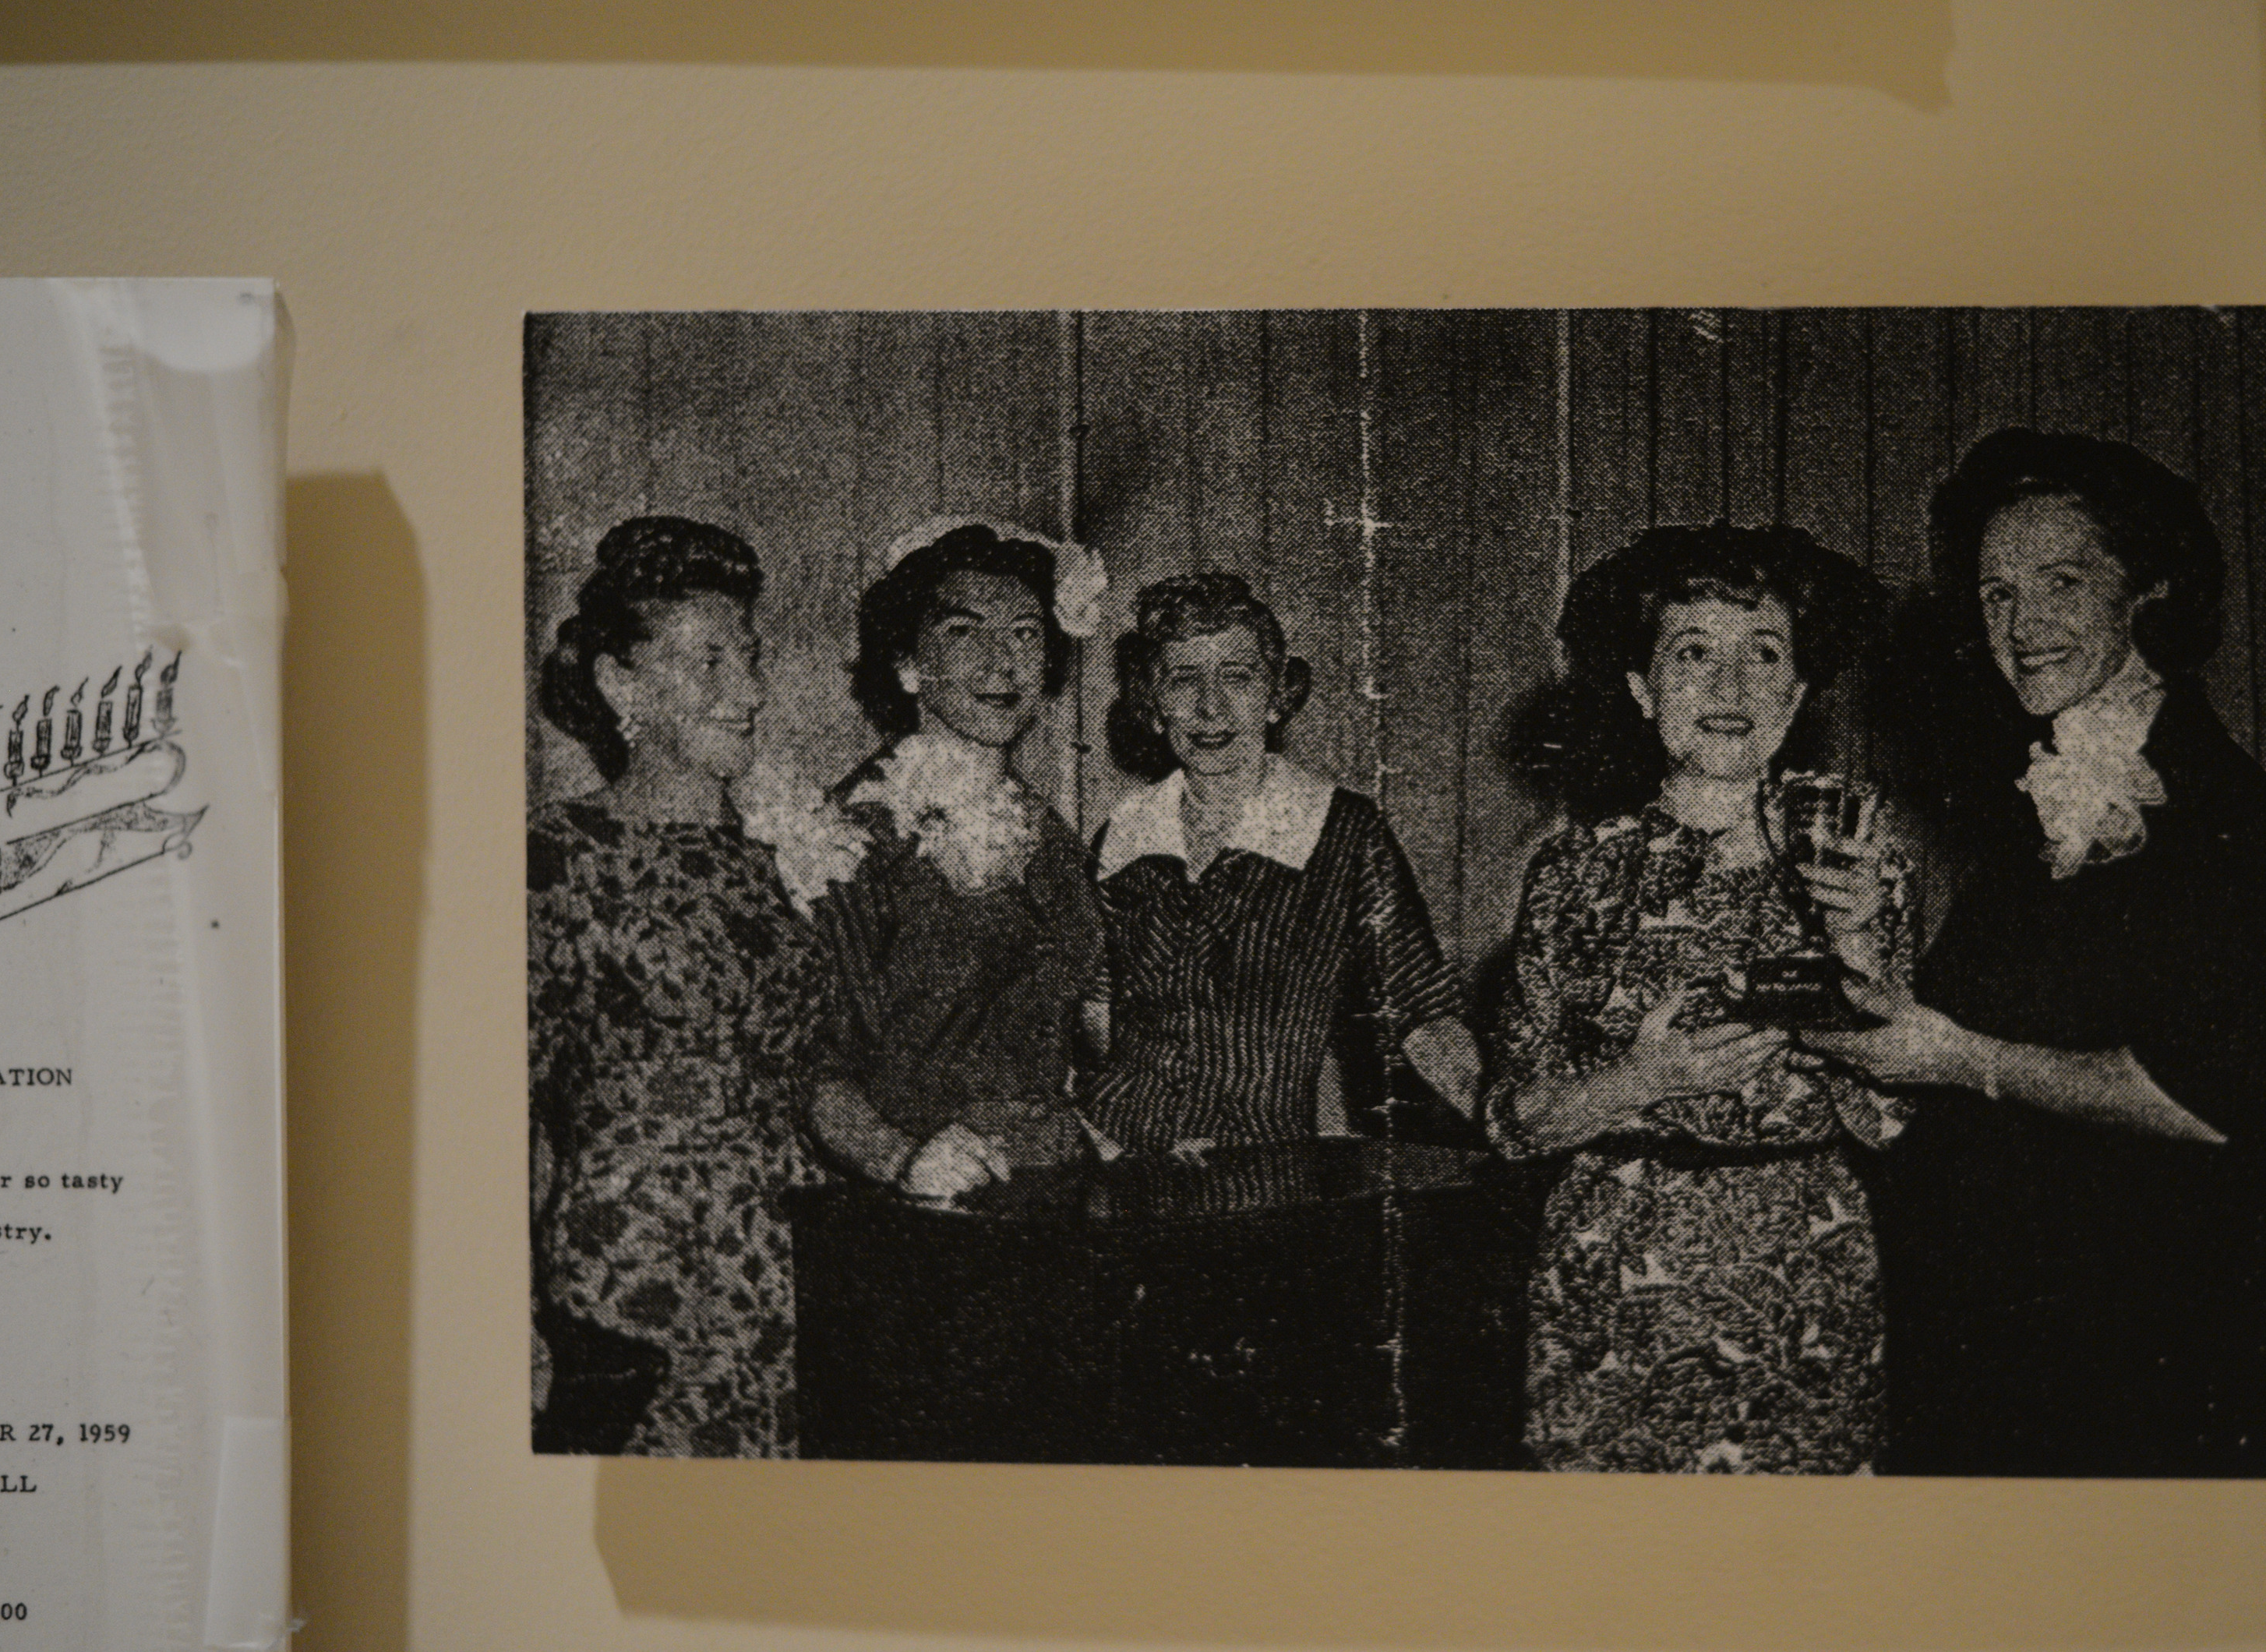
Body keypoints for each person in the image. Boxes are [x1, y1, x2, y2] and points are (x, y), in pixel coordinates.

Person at [1802, 429, 2266, 1475]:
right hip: (2019, 1322)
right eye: (1994, 594)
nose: (2022, 626)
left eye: (2061, 582)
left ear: (2147, 595)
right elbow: (1980, 1028)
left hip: (2141, 1334)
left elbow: (2212, 1100)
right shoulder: (2049, 793)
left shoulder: (2223, 814)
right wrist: (1869, 977)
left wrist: (1958, 1059)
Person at [1486, 522, 1906, 1474]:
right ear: (1641, 689)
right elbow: (1512, 1117)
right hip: (1614, 1276)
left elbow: (1887, 1120)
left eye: (1762, 654)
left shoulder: (1862, 860)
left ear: (1797, 693)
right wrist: (1637, 1078)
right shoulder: (1569, 870)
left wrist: (1854, 938)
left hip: (1805, 1271)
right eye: (1691, 653)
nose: (1728, 687)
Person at [528, 516, 831, 1458]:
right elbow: (499, 1110)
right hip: (640, 1271)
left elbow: (811, 1068)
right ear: (623, 685)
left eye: (748, 657)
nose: (746, 691)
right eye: (707, 663)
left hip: (790, 1259)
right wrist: (512, 1308)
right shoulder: (555, 855)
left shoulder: (779, 854)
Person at [1085, 572, 1480, 1156]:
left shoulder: (1343, 832)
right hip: (1119, 1153)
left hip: (1261, 1164)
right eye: (1183, 678)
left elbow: (1422, 1012)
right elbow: (1098, 1010)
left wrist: (1505, 1122)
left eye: (1238, 678)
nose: (1210, 706)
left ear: (1276, 697)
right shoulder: (1120, 838)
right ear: (1154, 705)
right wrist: (1134, 1142)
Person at [801, 518, 1111, 1202]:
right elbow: (813, 1062)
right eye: (965, 633)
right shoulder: (853, 835)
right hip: (918, 1197)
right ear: (909, 666)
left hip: (1051, 1181)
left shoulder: (1051, 836)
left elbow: (1088, 1017)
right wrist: (903, 1162)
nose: (1003, 664)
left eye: (1027, 634)